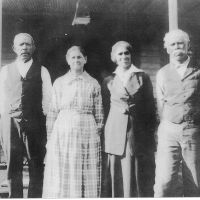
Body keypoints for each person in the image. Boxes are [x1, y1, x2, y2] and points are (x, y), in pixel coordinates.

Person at [42, 46, 104, 198]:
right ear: (68, 61)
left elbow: (99, 113)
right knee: (64, 167)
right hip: (63, 131)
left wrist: (96, 131)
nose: (76, 60)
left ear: (85, 60)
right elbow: (52, 112)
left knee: (85, 168)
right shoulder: (60, 82)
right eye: (73, 57)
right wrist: (50, 138)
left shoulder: (93, 83)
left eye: (79, 57)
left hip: (87, 131)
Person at [0, 33, 52, 198]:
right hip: (10, 123)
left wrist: (41, 120)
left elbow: (48, 99)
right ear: (15, 48)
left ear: (33, 48)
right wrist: (6, 120)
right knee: (12, 165)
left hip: (35, 123)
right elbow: (1, 98)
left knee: (36, 163)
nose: (24, 48)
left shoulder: (42, 71)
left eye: (28, 44)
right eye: (21, 45)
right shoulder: (5, 70)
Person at [102, 41, 156, 197]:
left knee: (137, 169)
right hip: (115, 130)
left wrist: (148, 133)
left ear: (131, 55)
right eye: (120, 54)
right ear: (114, 57)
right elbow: (105, 108)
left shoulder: (142, 77)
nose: (124, 56)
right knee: (117, 170)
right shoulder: (109, 80)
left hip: (136, 131)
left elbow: (150, 107)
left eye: (127, 53)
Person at [154, 29, 200, 197]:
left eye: (181, 43)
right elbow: (160, 103)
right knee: (164, 182)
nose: (177, 47)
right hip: (169, 130)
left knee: (194, 181)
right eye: (173, 44)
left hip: (193, 131)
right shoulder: (162, 73)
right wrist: (165, 126)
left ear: (187, 45)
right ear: (167, 48)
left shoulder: (198, 70)